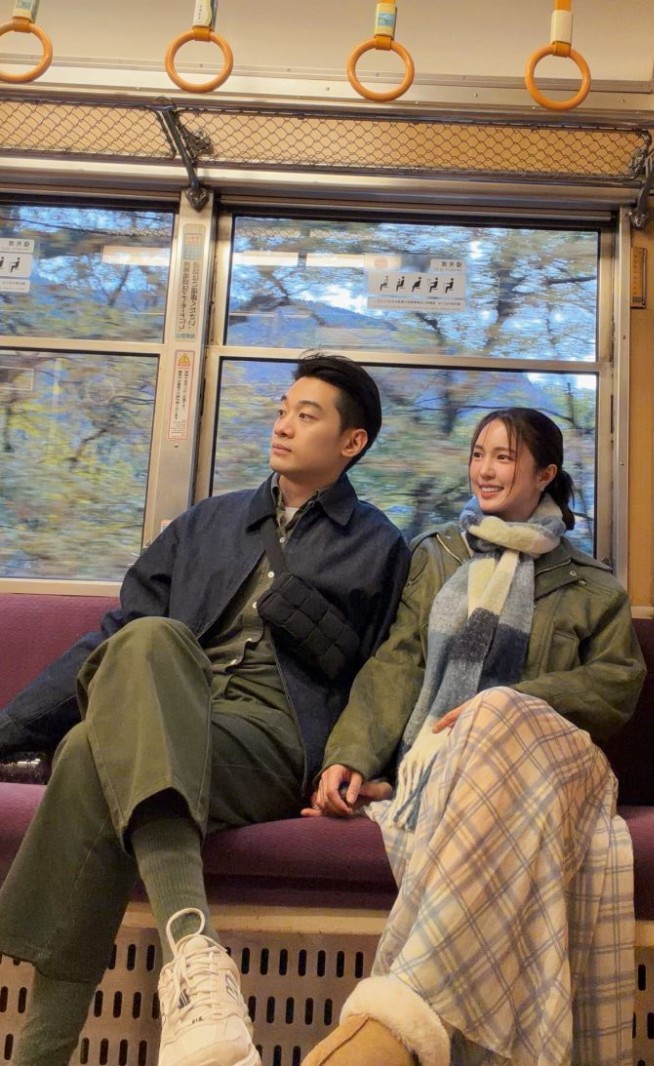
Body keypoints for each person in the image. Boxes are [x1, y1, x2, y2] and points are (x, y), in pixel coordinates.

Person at [0, 353, 410, 1066]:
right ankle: (193, 955)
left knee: (93, 751)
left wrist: (360, 762)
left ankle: (41, 1052)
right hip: (167, 705)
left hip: (272, 737)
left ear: (352, 441)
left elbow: (385, 671)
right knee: (142, 654)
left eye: (306, 415)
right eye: (282, 410)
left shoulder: (379, 546)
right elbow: (114, 634)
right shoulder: (208, 522)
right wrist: (9, 729)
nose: (283, 425)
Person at [301, 408, 646, 1066]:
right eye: (478, 454)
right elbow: (399, 661)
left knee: (495, 711)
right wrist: (351, 757)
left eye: (504, 457)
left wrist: (510, 704)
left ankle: (396, 1023)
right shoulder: (436, 557)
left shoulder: (592, 586)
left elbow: (616, 685)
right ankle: (402, 1029)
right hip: (447, 768)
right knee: (485, 721)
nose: (484, 470)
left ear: (544, 474)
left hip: (552, 767)